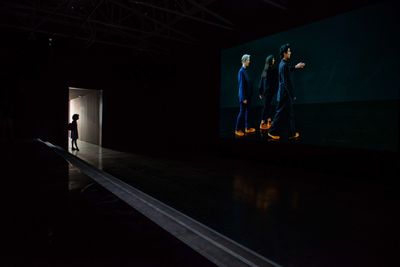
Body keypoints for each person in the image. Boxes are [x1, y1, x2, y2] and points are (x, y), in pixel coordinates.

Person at [268, 44, 305, 140]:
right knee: (280, 114)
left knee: (289, 114)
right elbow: (286, 83)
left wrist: (295, 67)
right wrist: (292, 95)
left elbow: (287, 70)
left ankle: (292, 133)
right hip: (285, 95)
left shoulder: (282, 64)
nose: (290, 52)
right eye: (289, 51)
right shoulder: (283, 65)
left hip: (284, 94)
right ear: (284, 53)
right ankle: (271, 132)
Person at [235, 54, 256, 137]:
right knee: (242, 112)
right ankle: (237, 129)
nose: (249, 61)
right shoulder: (241, 71)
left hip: (248, 96)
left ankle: (247, 128)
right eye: (248, 60)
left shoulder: (245, 70)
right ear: (244, 61)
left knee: (248, 112)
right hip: (244, 97)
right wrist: (243, 98)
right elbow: (241, 86)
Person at [258, 55, 278, 130]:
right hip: (266, 92)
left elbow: (276, 81)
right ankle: (262, 122)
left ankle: (269, 121)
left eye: (273, 59)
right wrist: (260, 92)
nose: (274, 60)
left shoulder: (272, 69)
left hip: (270, 91)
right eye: (272, 59)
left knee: (268, 106)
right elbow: (261, 82)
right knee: (266, 106)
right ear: (269, 60)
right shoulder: (267, 70)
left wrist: (275, 89)